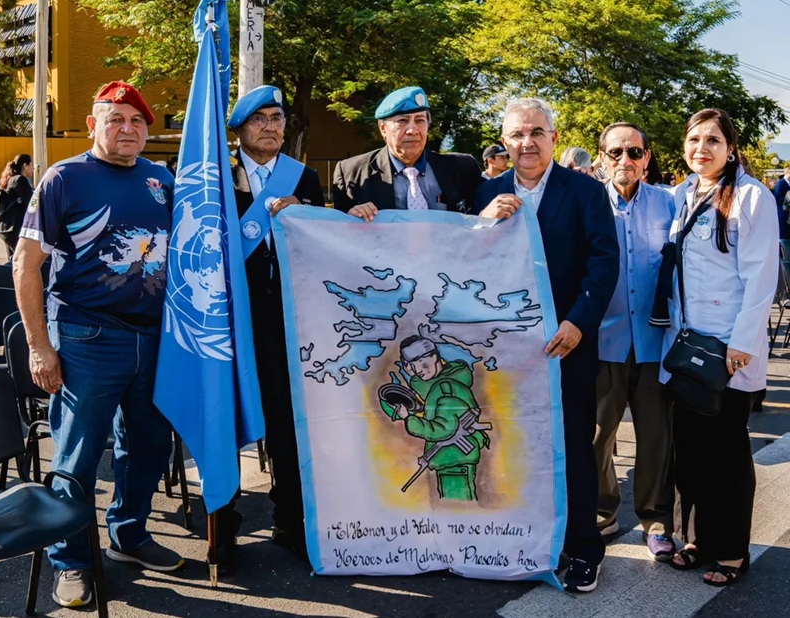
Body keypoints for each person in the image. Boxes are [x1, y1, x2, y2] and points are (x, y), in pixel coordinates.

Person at [13, 81, 183, 609]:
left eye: (137, 121)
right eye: (115, 119)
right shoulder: (65, 178)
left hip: (155, 339)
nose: (128, 129)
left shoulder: (162, 178)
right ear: (93, 125)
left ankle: (128, 534)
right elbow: (26, 263)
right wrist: (41, 348)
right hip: (89, 336)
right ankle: (72, 561)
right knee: (79, 453)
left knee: (148, 443)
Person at [473, 97, 619, 592]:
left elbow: (603, 263)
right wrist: (482, 221)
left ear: (553, 138)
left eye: (536, 132)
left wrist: (579, 322)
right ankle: (525, 541)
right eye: (517, 134)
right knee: (513, 447)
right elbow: (461, 261)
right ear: (505, 140)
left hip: (565, 347)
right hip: (504, 353)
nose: (526, 142)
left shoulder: (585, 192)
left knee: (572, 446)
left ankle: (582, 549)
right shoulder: (486, 191)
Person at [660, 109, 778, 587]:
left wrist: (742, 343)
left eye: (713, 141)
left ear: (730, 147)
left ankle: (731, 550)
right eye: (694, 140)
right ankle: (697, 539)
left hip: (729, 349)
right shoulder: (681, 195)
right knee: (689, 450)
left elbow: (760, 277)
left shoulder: (752, 197)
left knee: (727, 451)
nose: (701, 149)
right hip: (688, 345)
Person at [221, 84, 325, 566]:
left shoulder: (302, 177)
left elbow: (320, 246)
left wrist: (305, 215)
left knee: (287, 424)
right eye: (259, 119)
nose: (270, 126)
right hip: (231, 318)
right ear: (239, 130)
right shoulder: (219, 175)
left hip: (288, 317)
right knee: (226, 420)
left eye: (277, 118)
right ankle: (223, 524)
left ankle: (290, 520)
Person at [593, 123, 676, 561]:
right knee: (597, 436)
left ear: (647, 157)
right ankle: (603, 512)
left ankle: (656, 519)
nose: (624, 160)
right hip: (603, 339)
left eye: (634, 151)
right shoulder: (588, 203)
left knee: (655, 436)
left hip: (654, 339)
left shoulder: (669, 202)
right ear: (602, 157)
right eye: (615, 152)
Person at [332, 86, 482, 219]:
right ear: (383, 128)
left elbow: (483, 217)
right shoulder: (352, 172)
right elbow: (339, 236)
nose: (412, 130)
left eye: (420, 120)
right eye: (402, 121)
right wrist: (351, 219)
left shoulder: (463, 168)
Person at [379, 335, 490, 500]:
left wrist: (408, 419)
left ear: (434, 356)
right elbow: (432, 410)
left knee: (457, 509)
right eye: (413, 368)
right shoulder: (439, 387)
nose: (418, 372)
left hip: (456, 461)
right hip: (452, 460)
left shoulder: (447, 388)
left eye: (423, 365)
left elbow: (442, 429)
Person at [0, 153, 34, 259]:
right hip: (14, 228)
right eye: (32, 165)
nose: (33, 168)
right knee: (24, 259)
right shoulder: (20, 180)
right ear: (25, 166)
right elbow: (32, 204)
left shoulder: (10, 179)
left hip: (6, 227)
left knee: (14, 261)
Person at [772, 164, 790, 239]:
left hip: (787, 215)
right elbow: (776, 198)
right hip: (782, 214)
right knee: (783, 237)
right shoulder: (780, 184)